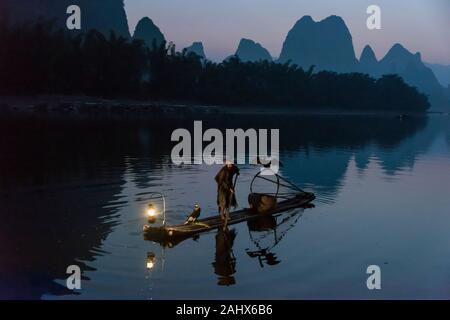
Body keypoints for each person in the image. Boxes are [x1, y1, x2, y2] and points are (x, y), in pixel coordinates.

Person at [215, 161, 240, 229]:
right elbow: (218, 179)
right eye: (229, 164)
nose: (230, 165)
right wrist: (228, 188)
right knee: (223, 202)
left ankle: (226, 214)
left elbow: (236, 169)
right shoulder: (224, 171)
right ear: (226, 164)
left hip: (229, 185)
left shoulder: (232, 167)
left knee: (229, 200)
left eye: (231, 164)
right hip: (223, 187)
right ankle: (222, 216)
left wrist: (237, 172)